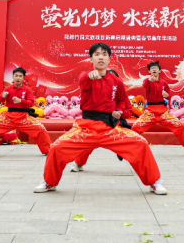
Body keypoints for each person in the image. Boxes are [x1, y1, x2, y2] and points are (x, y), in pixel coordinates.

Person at [34, 43, 166, 194]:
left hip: (110, 129)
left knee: (141, 144)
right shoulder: (85, 76)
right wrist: (90, 76)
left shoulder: (116, 82)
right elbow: (84, 79)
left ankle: (154, 182)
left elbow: (123, 102)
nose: (100, 57)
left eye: (104, 54)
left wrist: (119, 111)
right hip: (86, 128)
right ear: (91, 59)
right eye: (96, 54)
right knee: (57, 147)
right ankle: (50, 182)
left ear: (110, 59)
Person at [129, 60, 184, 156]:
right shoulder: (147, 81)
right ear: (149, 72)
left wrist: (167, 95)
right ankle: (130, 148)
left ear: (160, 71)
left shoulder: (164, 83)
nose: (154, 69)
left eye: (156, 68)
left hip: (163, 112)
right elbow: (145, 85)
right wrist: (149, 80)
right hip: (150, 112)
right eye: (152, 68)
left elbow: (169, 95)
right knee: (135, 127)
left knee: (180, 126)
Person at [0, 67, 51, 155]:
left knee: (41, 129)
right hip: (8, 117)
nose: (18, 78)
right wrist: (3, 96)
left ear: (23, 78)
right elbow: (1, 100)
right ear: (13, 77)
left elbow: (31, 103)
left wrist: (20, 101)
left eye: (20, 76)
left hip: (24, 117)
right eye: (16, 76)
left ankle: (47, 150)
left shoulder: (27, 90)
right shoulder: (7, 89)